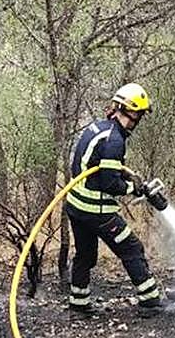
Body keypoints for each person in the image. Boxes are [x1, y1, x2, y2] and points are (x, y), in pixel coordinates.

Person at [64, 83, 163, 315]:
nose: (138, 120)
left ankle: (79, 304)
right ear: (130, 111)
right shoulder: (115, 141)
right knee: (131, 248)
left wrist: (126, 175)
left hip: (76, 206)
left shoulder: (98, 128)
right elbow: (110, 184)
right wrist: (134, 189)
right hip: (97, 211)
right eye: (139, 114)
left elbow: (97, 167)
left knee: (85, 255)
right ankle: (150, 302)